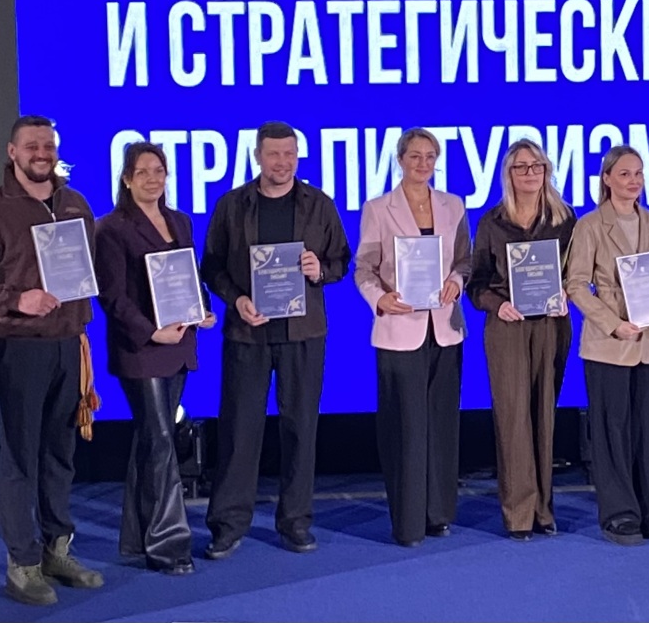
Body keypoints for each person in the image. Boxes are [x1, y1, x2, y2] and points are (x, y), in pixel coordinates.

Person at [0, 116, 105, 605]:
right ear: (12, 152)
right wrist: (15, 299)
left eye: (48, 145)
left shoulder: (75, 204)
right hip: (18, 347)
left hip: (69, 343)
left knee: (59, 455)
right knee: (20, 457)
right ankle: (22, 564)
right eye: (32, 146)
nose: (41, 153)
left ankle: (56, 549)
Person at [200, 121, 352, 558]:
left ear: (297, 157)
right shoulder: (232, 205)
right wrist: (237, 299)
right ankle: (228, 524)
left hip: (303, 333)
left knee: (300, 429)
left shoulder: (319, 204)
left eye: (289, 154)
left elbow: (341, 260)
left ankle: (296, 522)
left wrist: (319, 271)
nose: (282, 162)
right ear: (258, 156)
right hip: (247, 332)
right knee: (239, 431)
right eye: (273, 154)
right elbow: (212, 266)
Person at [95, 142, 217, 574]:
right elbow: (112, 297)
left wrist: (202, 309)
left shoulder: (180, 221)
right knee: (162, 440)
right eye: (143, 171)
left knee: (151, 439)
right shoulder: (110, 228)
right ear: (127, 179)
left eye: (159, 171)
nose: (153, 178)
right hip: (142, 349)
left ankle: (136, 536)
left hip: (179, 344)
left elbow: (190, 275)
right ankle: (169, 546)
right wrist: (151, 331)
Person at [355, 128, 472, 548]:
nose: (423, 164)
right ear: (400, 160)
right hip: (398, 329)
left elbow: (465, 261)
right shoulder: (378, 208)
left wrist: (457, 282)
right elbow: (364, 268)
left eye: (430, 157)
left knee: (441, 424)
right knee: (404, 429)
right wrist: (380, 299)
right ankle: (407, 521)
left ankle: (438, 513)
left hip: (444, 328)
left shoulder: (453, 205)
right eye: (415, 156)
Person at [565, 145, 649, 545]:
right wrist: (613, 324)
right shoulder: (590, 225)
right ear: (607, 179)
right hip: (609, 343)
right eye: (624, 174)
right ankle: (619, 514)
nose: (633, 181)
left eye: (638, 174)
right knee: (612, 430)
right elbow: (575, 285)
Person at [466, 139, 576, 540]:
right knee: (513, 419)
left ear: (546, 172)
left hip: (550, 325)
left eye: (537, 166)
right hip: (508, 327)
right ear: (508, 174)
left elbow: (576, 274)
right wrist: (498, 305)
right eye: (521, 167)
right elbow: (476, 284)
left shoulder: (564, 219)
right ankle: (518, 514)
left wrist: (567, 294)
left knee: (544, 416)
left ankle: (544, 511)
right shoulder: (492, 222)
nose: (530, 173)